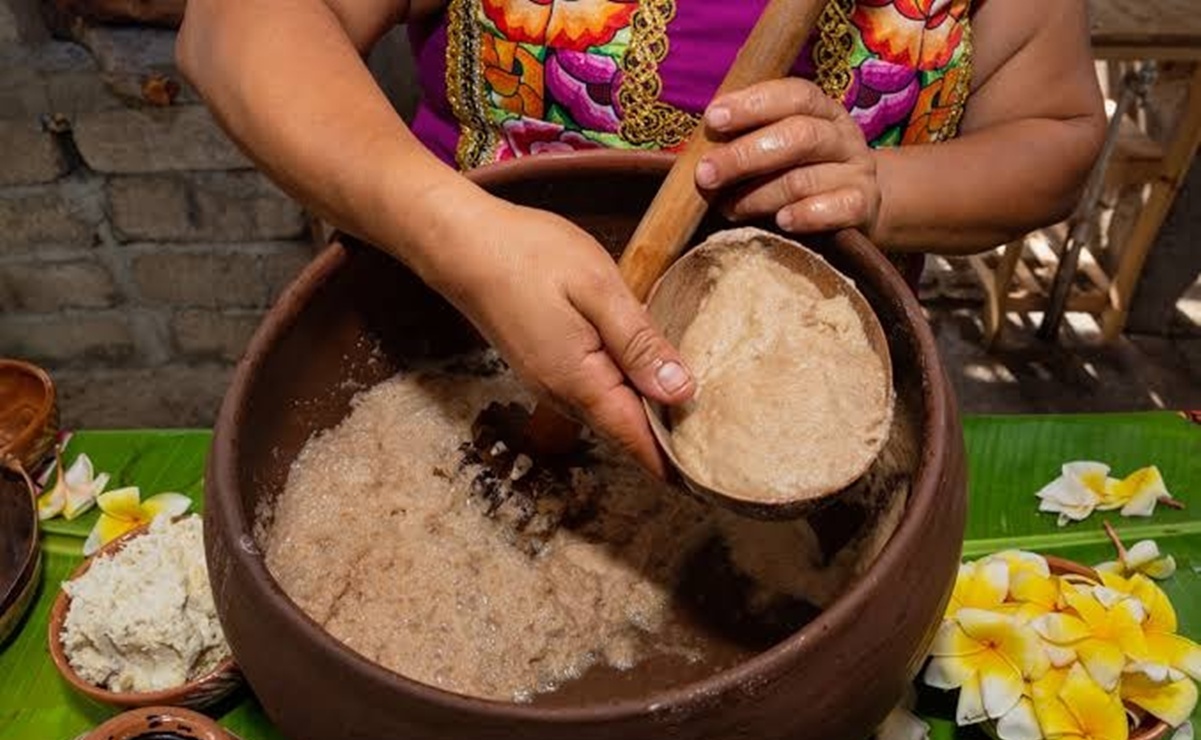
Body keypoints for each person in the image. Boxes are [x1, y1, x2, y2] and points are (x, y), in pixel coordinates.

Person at [177, 0, 1105, 474]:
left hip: (804, 423)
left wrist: (879, 187)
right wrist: (461, 236)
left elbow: (1055, 131)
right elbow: (237, 26)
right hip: (451, 354)